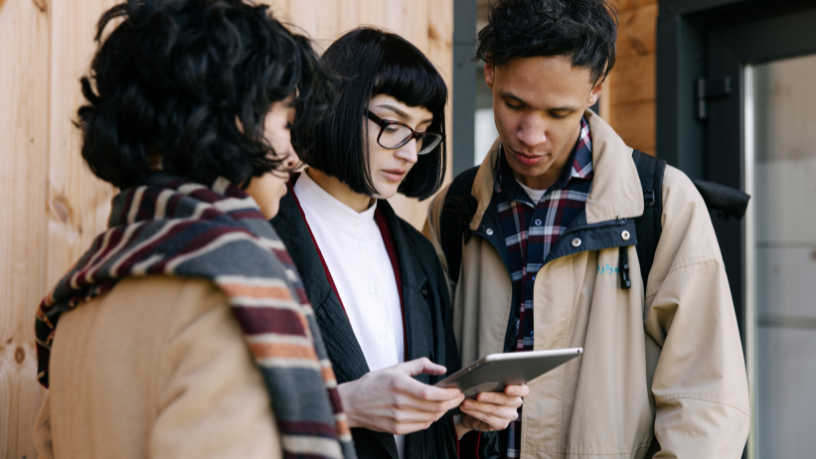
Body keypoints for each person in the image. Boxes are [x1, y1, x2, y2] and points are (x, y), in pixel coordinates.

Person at [424, 0, 750, 458]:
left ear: (595, 88)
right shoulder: (454, 210)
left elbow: (707, 401)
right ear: (491, 72)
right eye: (514, 104)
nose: (531, 134)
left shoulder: (663, 204)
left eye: (558, 113)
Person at [32, 1, 356, 458]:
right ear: (234, 120)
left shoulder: (78, 297)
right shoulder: (231, 290)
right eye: (285, 123)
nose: (293, 155)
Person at [272, 28, 527, 459]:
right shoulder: (264, 234)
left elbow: (421, 432)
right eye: (393, 126)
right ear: (336, 106)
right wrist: (346, 405)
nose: (410, 154)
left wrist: (463, 417)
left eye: (422, 132)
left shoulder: (419, 254)